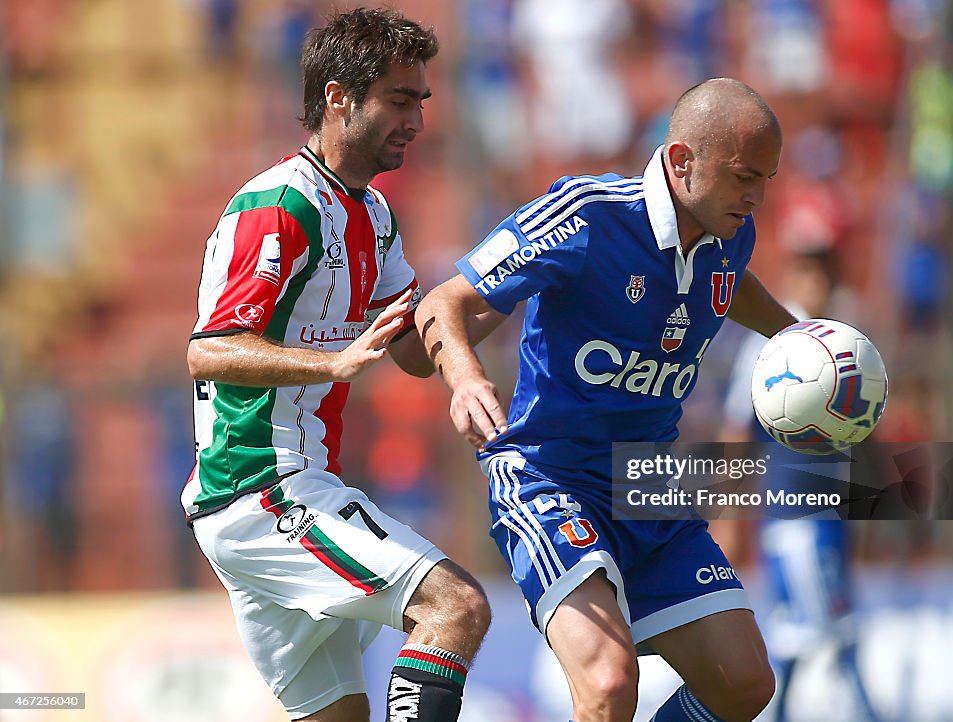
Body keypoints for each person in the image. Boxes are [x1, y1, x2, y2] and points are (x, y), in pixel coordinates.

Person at [417, 78, 795, 722]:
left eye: (766, 178)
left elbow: (731, 284)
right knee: (609, 685)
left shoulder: (731, 231)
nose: (756, 197)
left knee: (745, 683)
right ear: (681, 161)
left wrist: (794, 335)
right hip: (548, 476)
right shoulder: (586, 214)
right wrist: (467, 379)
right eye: (742, 177)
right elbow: (443, 301)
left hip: (649, 485)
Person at [184, 9, 490, 722]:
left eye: (421, 101)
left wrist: (498, 288)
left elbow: (413, 350)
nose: (416, 120)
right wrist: (330, 365)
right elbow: (207, 349)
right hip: (264, 494)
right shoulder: (280, 204)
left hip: (282, 496)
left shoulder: (373, 213)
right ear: (337, 97)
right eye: (399, 100)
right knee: (456, 607)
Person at [719, 249, 882, 722]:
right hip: (793, 514)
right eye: (809, 274)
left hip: (832, 513)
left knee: (796, 632)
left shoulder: (845, 340)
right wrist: (730, 517)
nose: (819, 285)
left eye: (826, 275)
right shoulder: (774, 345)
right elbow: (736, 429)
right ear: (793, 277)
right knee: (835, 632)